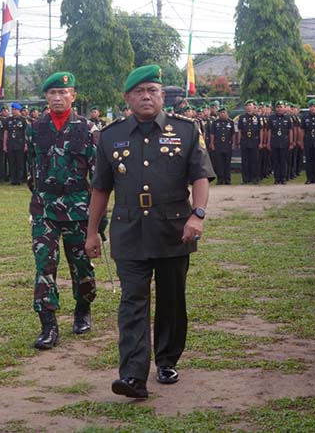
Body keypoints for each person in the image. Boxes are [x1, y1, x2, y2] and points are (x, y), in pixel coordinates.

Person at [85, 64, 215, 399]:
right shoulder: (111, 135)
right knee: (132, 303)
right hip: (129, 231)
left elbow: (200, 176)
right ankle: (132, 375)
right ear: (127, 98)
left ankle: (167, 360)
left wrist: (197, 215)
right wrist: (91, 232)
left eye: (153, 91)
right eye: (139, 92)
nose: (147, 96)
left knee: (172, 299)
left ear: (162, 95)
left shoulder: (186, 131)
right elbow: (100, 188)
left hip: (174, 229)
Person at [25, 71, 98, 350]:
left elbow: (98, 175)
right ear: (46, 97)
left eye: (63, 93)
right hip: (45, 207)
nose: (57, 97)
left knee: (81, 264)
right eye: (52, 93)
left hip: (79, 207)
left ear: (73, 96)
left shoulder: (88, 129)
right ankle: (48, 325)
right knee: (44, 264)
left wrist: (97, 218)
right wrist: (37, 194)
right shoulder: (35, 128)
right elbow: (30, 166)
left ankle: (83, 309)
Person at [266, 101, 294, 184]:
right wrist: (268, 142)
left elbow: (290, 131)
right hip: (275, 142)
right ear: (275, 108)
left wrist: (291, 142)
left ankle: (283, 178)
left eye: (281, 107)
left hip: (284, 142)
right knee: (275, 161)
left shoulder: (288, 118)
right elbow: (269, 131)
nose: (279, 108)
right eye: (278, 107)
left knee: (283, 161)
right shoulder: (271, 118)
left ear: (284, 108)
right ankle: (277, 178)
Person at [236, 99, 261, 184]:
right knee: (245, 161)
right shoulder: (242, 118)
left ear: (254, 107)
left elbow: (260, 130)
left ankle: (255, 178)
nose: (249, 107)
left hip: (254, 141)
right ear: (245, 107)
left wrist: (261, 142)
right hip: (245, 141)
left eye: (251, 105)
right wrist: (239, 142)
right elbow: (239, 130)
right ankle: (246, 179)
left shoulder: (257, 118)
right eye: (248, 106)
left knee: (254, 160)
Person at [300, 100, 315, 184]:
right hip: (308, 141)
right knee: (309, 160)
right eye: (311, 107)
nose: (313, 108)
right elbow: (302, 130)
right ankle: (309, 178)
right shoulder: (305, 117)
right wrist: (301, 141)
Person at [209, 106, 234, 185]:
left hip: (227, 145)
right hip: (218, 145)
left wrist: (233, 143)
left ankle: (227, 179)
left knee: (227, 163)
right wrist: (212, 143)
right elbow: (212, 134)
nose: (223, 114)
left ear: (226, 113)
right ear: (218, 114)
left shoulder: (230, 122)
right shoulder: (215, 123)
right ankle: (220, 179)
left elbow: (233, 134)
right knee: (219, 163)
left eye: (224, 112)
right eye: (221, 113)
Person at [6, 102, 27, 185]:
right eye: (13, 109)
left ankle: (19, 179)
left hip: (20, 144)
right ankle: (13, 179)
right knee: (12, 162)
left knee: (20, 162)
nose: (14, 111)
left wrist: (25, 144)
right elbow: (6, 132)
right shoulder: (8, 120)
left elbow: (25, 132)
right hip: (11, 144)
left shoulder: (23, 120)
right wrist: (5, 144)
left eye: (15, 109)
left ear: (19, 110)